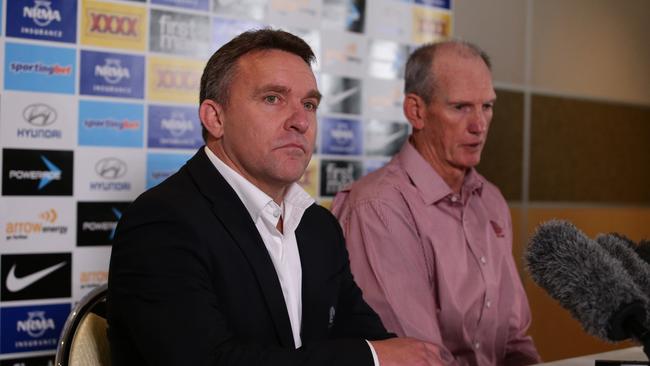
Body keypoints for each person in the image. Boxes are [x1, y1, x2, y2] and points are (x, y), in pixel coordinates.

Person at [108, 29, 443, 366]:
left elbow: (362, 332)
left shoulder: (318, 225)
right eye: (273, 98)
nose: (300, 121)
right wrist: (369, 357)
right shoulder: (162, 222)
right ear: (215, 118)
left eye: (309, 104)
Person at [332, 41, 541, 365]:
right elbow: (417, 356)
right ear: (416, 111)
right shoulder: (378, 207)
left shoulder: (491, 199)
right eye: (460, 107)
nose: (479, 125)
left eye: (486, 106)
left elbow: (513, 340)